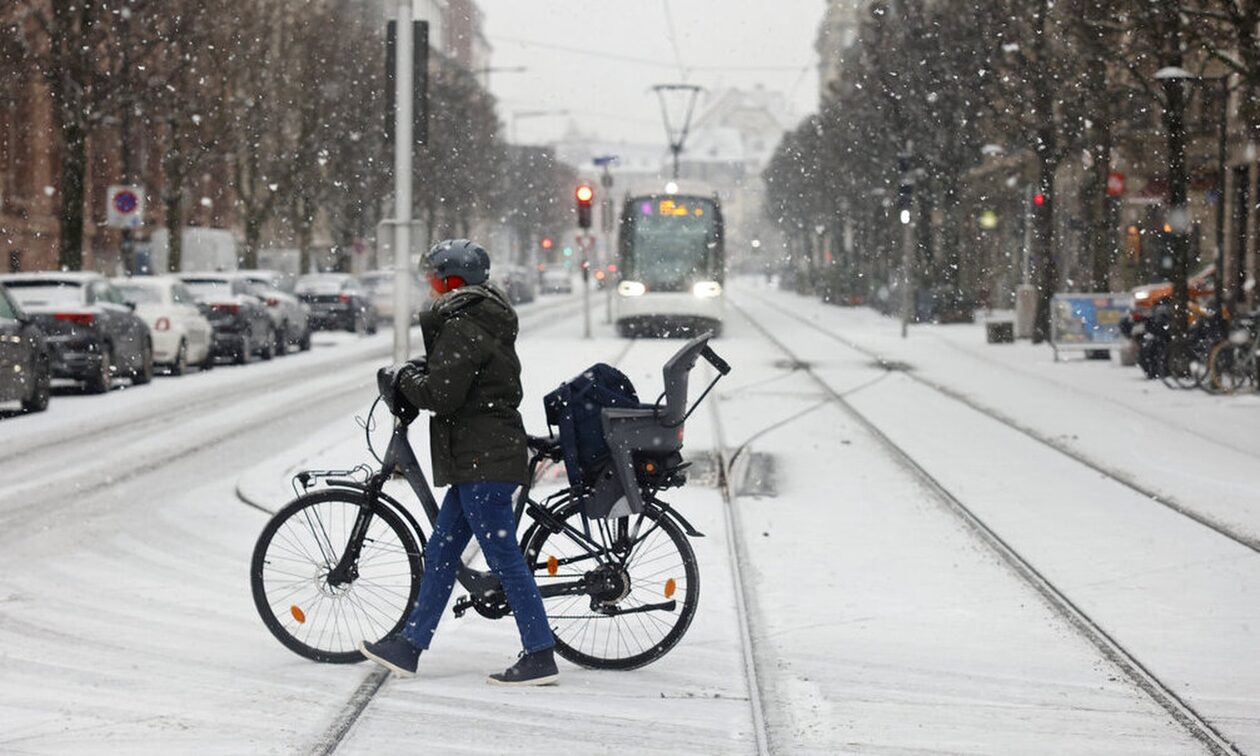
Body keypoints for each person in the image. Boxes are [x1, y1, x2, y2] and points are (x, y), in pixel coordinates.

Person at [360, 239, 558, 687]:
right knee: (443, 550)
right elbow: (454, 378)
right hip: (480, 454)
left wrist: (408, 376)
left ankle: (540, 653)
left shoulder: (465, 324)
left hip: (483, 458)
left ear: (452, 281)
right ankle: (410, 646)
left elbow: (442, 394)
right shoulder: (476, 318)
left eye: (433, 277)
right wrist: (422, 370)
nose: (429, 286)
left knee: (504, 558)